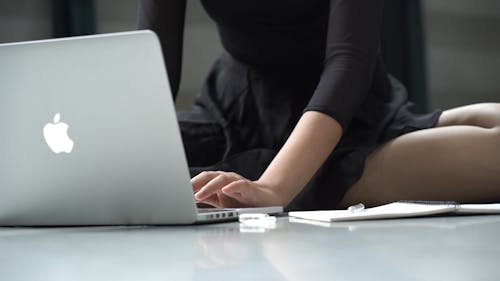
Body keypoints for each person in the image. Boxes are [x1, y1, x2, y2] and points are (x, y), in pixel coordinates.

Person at [138, 0, 500, 210]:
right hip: (236, 113)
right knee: (104, 166)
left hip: (349, 112)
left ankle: (301, 180)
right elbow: (153, 60)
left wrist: (275, 188)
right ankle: (304, 182)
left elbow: (347, 65)